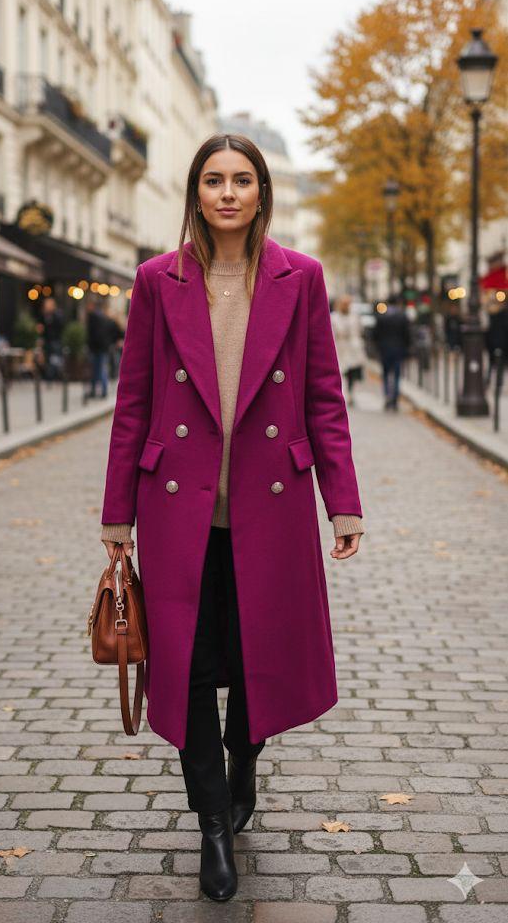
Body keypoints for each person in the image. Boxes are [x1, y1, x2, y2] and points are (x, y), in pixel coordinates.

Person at [99, 133, 365, 901]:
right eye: (213, 180)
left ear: (259, 193)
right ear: (195, 192)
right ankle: (212, 824)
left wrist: (342, 501)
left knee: (259, 654)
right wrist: (117, 512)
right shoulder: (157, 279)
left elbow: (323, 396)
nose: (226, 192)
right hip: (175, 506)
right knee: (184, 662)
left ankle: (244, 756)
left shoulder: (299, 277)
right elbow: (133, 401)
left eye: (240, 180)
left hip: (269, 506)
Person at [372, 293, 411, 411]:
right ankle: (395, 398)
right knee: (397, 374)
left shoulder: (382, 316)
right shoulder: (402, 316)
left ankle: (387, 395)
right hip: (398, 349)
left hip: (384, 349)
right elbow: (407, 334)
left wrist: (378, 346)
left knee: (385, 373)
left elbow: (375, 334)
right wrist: (407, 347)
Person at [330, 295, 365, 406]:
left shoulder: (354, 317)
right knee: (341, 372)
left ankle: (350, 393)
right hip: (340, 347)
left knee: (352, 373)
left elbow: (359, 330)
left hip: (352, 348)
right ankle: (341, 393)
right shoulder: (334, 317)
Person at [86, 296, 113, 398]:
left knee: (97, 370)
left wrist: (90, 346)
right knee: (101, 369)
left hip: (97, 348)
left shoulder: (93, 316)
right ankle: (102, 391)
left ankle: (96, 391)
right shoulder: (103, 316)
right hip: (103, 347)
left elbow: (93, 334)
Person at [37, 296, 64, 382]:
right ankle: (48, 377)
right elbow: (40, 328)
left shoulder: (57, 315)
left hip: (55, 341)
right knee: (47, 359)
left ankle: (55, 376)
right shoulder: (43, 315)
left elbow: (60, 327)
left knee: (55, 359)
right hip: (46, 341)